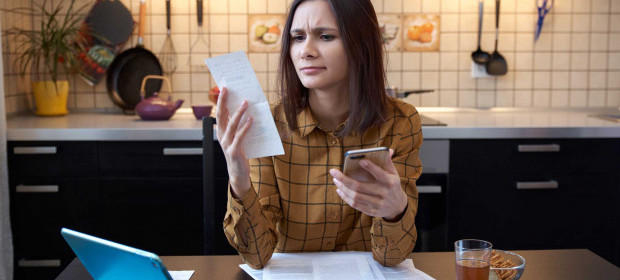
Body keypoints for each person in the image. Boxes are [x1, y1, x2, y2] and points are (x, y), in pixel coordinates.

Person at [216, 0, 422, 269]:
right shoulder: (270, 125)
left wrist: (395, 211)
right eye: (298, 37)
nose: (306, 51)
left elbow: (392, 257)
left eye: (325, 36)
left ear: (361, 44)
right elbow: (256, 255)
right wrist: (239, 178)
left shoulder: (400, 122)